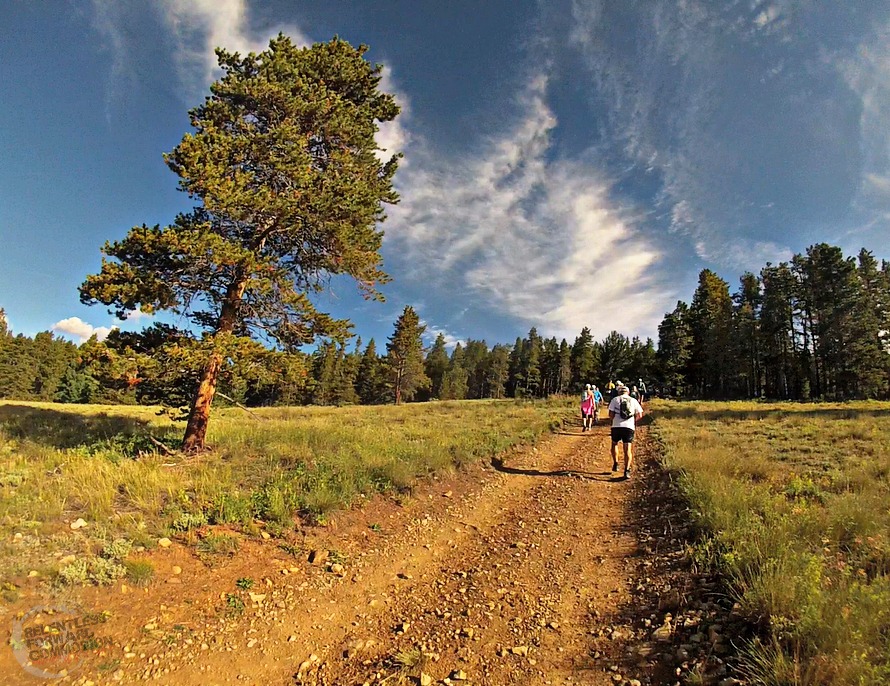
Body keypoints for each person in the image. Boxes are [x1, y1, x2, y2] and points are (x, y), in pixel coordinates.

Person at [608, 384, 644, 479]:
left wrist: (615, 419)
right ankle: (626, 470)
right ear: (628, 392)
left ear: (619, 392)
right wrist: (632, 421)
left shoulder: (615, 400)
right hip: (629, 427)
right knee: (627, 449)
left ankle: (616, 463)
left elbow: (610, 414)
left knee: (614, 444)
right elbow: (640, 414)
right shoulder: (633, 400)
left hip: (616, 426)